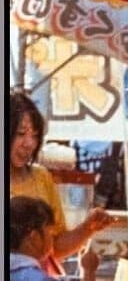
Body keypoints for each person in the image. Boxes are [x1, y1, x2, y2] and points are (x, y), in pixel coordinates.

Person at [9, 89, 110, 269]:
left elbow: (54, 248)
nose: (29, 143)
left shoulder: (41, 178)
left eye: (35, 135)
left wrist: (88, 227)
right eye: (21, 133)